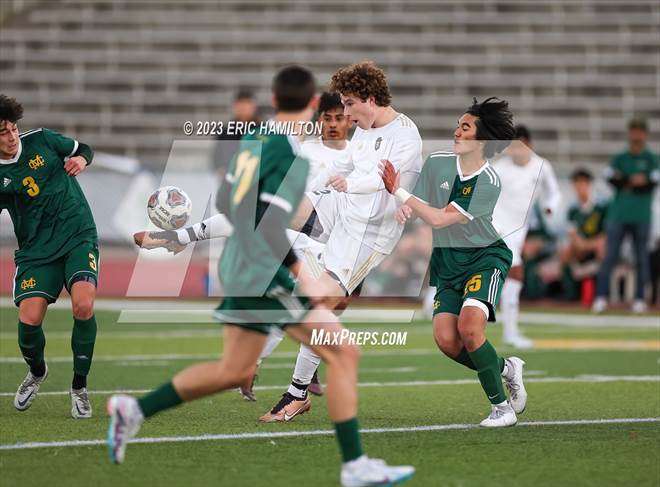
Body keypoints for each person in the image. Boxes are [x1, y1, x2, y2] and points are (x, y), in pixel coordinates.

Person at [108, 66, 415, 487]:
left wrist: (181, 236)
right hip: (263, 265)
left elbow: (232, 205)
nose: (338, 114)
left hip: (241, 260)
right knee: (343, 352)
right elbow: (270, 226)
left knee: (233, 369)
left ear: (272, 100)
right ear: (312, 105)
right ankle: (353, 465)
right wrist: (298, 274)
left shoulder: (255, 141)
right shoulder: (287, 152)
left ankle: (134, 410)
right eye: (332, 107)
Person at [380, 97, 527, 427]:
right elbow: (421, 201)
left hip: (484, 258)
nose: (456, 131)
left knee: (470, 328)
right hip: (447, 262)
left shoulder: (488, 180)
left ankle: (502, 409)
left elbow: (439, 218)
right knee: (446, 340)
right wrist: (404, 208)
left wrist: (399, 195)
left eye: (465, 127)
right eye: (458, 125)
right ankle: (506, 368)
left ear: (482, 140)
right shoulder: (437, 163)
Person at [0, 94, 98, 419]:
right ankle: (37, 372)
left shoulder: (43, 140)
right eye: (3, 132)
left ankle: (79, 388)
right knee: (28, 322)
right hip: (37, 252)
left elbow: (84, 149)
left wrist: (82, 160)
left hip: (77, 234)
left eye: (13, 129)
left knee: (83, 305)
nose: (12, 137)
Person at [491, 124, 561, 349]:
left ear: (529, 145)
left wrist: (550, 207)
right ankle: (510, 332)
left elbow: (554, 193)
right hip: (497, 226)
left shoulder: (542, 167)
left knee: (500, 274)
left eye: (519, 147)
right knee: (515, 273)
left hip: (519, 231)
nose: (515, 152)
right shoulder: (499, 168)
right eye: (511, 147)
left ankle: (437, 297)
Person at [593, 116, 659, 313]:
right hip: (618, 214)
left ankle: (639, 298)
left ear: (645, 134)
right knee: (610, 256)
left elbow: (652, 181)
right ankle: (600, 297)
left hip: (641, 216)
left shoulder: (651, 158)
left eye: (639, 131)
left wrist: (629, 181)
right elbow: (609, 177)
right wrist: (633, 181)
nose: (636, 134)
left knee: (641, 258)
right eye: (633, 130)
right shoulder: (620, 157)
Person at [560, 169, 608, 301]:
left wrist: (588, 245)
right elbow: (572, 234)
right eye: (576, 184)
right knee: (565, 252)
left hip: (597, 245)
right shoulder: (573, 209)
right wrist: (580, 245)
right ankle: (571, 293)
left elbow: (606, 235)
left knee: (602, 249)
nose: (580, 187)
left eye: (583, 183)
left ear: (589, 184)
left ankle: (600, 293)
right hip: (581, 247)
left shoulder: (602, 207)